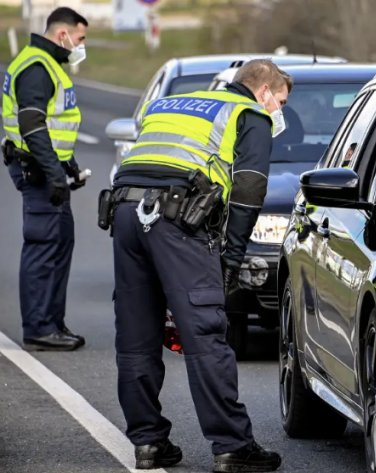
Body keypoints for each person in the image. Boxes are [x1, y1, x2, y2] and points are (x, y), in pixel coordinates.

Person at [108, 59, 291, 472]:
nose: (279, 112)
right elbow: (248, 190)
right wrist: (230, 258)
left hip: (124, 212)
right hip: (178, 220)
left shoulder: (176, 102)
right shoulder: (249, 115)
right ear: (263, 92)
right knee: (206, 333)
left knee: (137, 334)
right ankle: (232, 447)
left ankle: (148, 443)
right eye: (280, 102)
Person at [1, 7, 89, 351]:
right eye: (80, 38)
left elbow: (53, 127)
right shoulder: (37, 67)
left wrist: (67, 166)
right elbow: (32, 126)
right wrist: (54, 173)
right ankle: (38, 327)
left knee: (60, 242)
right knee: (42, 246)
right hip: (35, 170)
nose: (82, 45)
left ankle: (52, 322)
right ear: (62, 34)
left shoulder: (47, 63)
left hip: (46, 168)